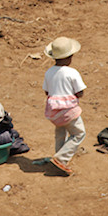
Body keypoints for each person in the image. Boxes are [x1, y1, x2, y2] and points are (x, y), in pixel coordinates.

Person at [42, 36, 87, 176]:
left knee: (60, 133)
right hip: (69, 111)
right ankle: (61, 159)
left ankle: (58, 158)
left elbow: (46, 91)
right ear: (69, 57)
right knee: (79, 133)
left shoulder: (49, 72)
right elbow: (80, 92)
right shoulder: (72, 72)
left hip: (54, 111)